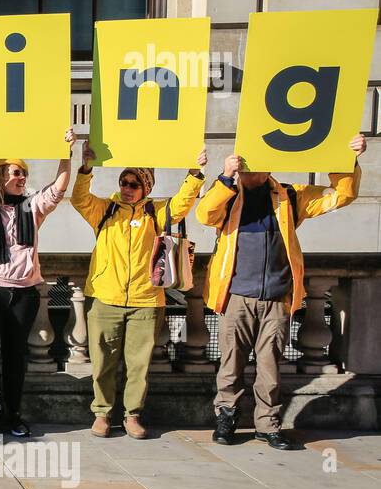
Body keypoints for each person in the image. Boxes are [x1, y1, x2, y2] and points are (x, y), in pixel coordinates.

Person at [196, 136, 367, 451]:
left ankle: (268, 425)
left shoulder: (289, 196)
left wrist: (346, 161)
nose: (250, 171)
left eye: (254, 166)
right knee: (231, 364)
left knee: (270, 365)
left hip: (277, 297)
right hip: (236, 296)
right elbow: (204, 215)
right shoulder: (229, 195)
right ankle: (226, 418)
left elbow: (342, 195)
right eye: (245, 166)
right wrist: (224, 177)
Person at [71, 145, 207, 439]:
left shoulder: (155, 211)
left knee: (139, 365)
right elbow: (79, 199)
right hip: (106, 298)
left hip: (146, 301)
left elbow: (183, 203)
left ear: (146, 187)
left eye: (134, 184)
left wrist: (195, 173)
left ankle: (132, 415)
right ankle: (102, 414)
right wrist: (85, 168)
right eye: (124, 182)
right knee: (102, 362)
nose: (127, 188)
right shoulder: (105, 209)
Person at [0, 126, 75, 444]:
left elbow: (59, 188)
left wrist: (66, 151)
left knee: (17, 355)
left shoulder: (31, 208)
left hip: (24, 293)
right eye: (16, 172)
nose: (22, 177)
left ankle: (12, 416)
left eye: (24, 173)